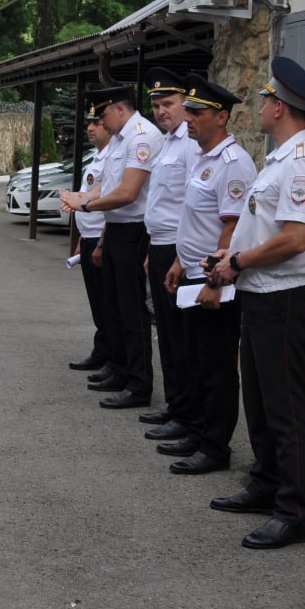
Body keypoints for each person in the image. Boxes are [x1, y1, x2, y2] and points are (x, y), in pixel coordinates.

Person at [204, 57, 305, 549]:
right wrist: (231, 253)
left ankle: (292, 511)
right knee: (258, 399)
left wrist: (238, 263)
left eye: (265, 100)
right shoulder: (280, 159)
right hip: (262, 294)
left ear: (279, 108)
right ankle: (264, 483)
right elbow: (266, 228)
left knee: (284, 409)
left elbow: (296, 239)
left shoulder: (303, 166)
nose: (259, 106)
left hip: (284, 299)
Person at [161, 74, 256, 477]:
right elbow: (195, 220)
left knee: (216, 365)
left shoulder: (234, 164)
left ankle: (216, 446)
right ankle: (199, 431)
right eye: (189, 111)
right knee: (196, 359)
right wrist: (180, 261)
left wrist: (216, 283)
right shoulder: (203, 158)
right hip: (193, 272)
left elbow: (231, 230)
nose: (189, 119)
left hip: (213, 280)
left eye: (197, 113)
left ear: (221, 117)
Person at [60, 86, 163, 409]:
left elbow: (129, 193)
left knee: (133, 312)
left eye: (102, 115)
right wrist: (85, 198)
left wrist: (87, 206)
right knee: (117, 309)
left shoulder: (142, 137)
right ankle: (120, 370)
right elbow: (109, 185)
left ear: (119, 110)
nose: (99, 122)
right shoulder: (121, 139)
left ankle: (139, 384)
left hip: (135, 231)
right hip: (117, 228)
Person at [138, 68, 200, 446]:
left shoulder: (192, 145)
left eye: (168, 104)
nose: (161, 111)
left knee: (182, 337)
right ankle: (176, 405)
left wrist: (177, 252)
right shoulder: (167, 142)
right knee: (167, 334)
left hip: (180, 249)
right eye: (156, 105)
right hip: (160, 246)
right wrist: (151, 249)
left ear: (184, 104)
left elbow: (193, 205)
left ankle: (187, 413)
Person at [68, 107, 112, 377]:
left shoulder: (113, 159)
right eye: (89, 123)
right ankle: (102, 351)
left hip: (101, 239)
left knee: (107, 303)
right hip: (90, 238)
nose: (91, 127)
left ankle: (110, 357)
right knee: (97, 302)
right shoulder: (97, 158)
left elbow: (112, 205)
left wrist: (100, 243)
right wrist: (81, 239)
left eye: (97, 122)